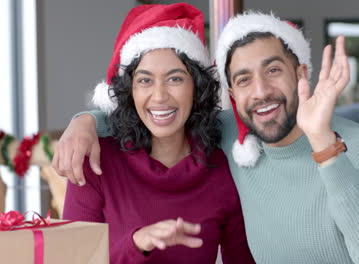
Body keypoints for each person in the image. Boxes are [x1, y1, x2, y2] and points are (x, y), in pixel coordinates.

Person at [55, 11, 359, 264]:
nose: (261, 92)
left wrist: (324, 144)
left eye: (273, 70)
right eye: (243, 80)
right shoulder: (230, 139)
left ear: (301, 72)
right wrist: (85, 120)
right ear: (232, 95)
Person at [61, 4, 255, 264]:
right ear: (130, 90)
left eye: (175, 79)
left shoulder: (223, 168)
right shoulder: (95, 162)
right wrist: (136, 244)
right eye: (145, 80)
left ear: (197, 88)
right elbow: (70, 259)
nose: (160, 95)